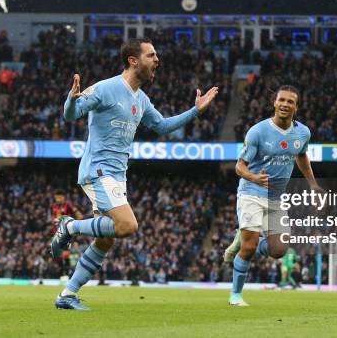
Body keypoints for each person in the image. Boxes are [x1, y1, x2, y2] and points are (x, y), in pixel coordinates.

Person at [50, 37, 218, 310]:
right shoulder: (105, 88)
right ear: (133, 60)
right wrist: (71, 99)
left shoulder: (141, 99)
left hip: (117, 175)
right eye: (151, 55)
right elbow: (72, 115)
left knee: (106, 240)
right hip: (98, 169)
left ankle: (67, 294)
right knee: (128, 226)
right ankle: (69, 226)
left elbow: (162, 126)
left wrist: (195, 111)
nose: (157, 60)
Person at [223, 85, 322, 306]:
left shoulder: (303, 132)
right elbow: (239, 166)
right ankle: (236, 295)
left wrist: (313, 184)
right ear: (274, 103)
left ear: (296, 107)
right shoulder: (257, 131)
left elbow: (302, 156)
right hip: (252, 192)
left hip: (276, 198)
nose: (285, 104)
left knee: (279, 250)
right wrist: (253, 177)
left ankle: (245, 241)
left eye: (290, 102)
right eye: (282, 100)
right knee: (249, 248)